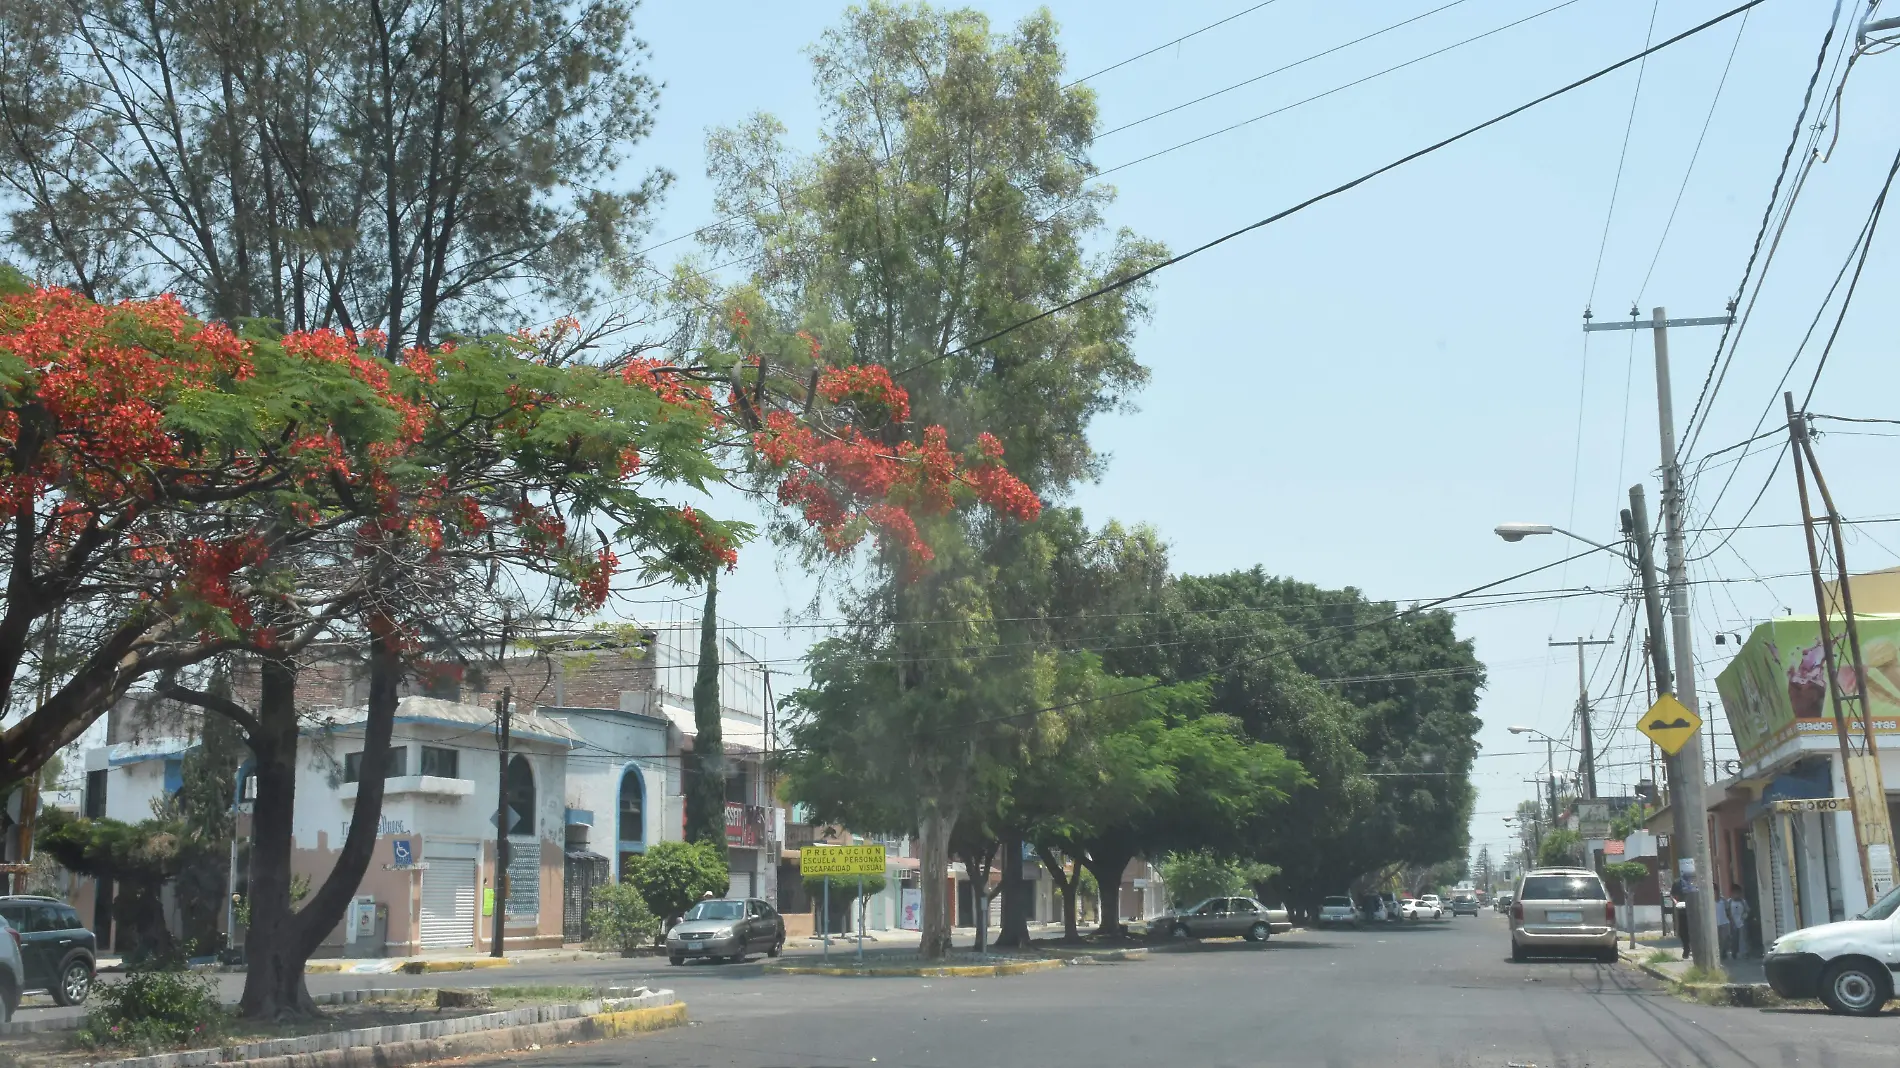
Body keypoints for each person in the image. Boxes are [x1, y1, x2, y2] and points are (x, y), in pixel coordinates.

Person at [1724, 884, 1749, 959]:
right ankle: (1734, 952)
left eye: (1738, 893)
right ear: (1732, 893)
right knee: (1733, 939)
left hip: (1741, 923)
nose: (1736, 895)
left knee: (1743, 938)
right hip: (1732, 923)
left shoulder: (1743, 902)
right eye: (1735, 893)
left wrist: (1745, 916)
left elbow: (1747, 910)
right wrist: (1730, 921)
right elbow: (1727, 912)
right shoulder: (1729, 902)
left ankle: (1743, 952)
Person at [1673, 874, 1694, 960]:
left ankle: (1694, 948)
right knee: (1683, 931)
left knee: (1693, 930)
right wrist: (1676, 903)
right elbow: (1672, 895)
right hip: (1682, 910)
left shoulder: (1695, 880)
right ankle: (1686, 948)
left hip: (1694, 910)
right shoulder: (1677, 882)